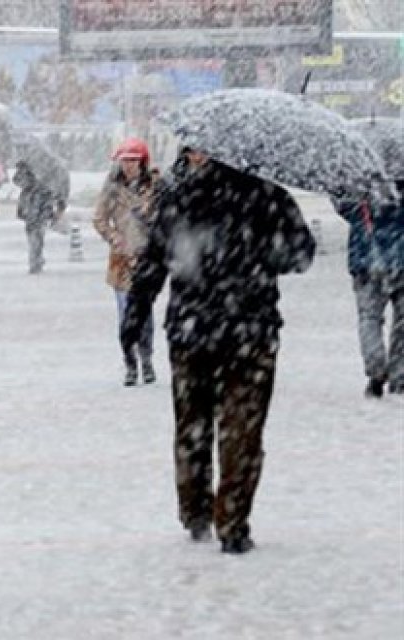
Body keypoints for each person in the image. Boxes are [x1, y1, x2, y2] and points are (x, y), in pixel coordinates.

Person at [123, 148, 315, 555]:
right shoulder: (269, 196)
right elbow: (301, 256)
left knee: (192, 425)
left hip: (192, 330)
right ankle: (233, 522)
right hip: (251, 330)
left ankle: (195, 511)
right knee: (242, 431)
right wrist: (261, 252)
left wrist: (136, 311)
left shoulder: (182, 196)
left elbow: (154, 258)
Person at [93, 137, 158, 386]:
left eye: (133, 160)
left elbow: (165, 216)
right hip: (121, 260)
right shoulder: (111, 187)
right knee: (125, 314)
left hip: (146, 258)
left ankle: (147, 359)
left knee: (145, 314)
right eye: (125, 161)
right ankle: (130, 362)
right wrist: (113, 236)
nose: (129, 166)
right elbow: (99, 219)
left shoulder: (154, 186)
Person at [334, 182, 404, 397]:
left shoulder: (358, 182)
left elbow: (343, 207)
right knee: (402, 322)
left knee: (369, 318)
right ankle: (400, 374)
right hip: (400, 258)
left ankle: (376, 370)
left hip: (365, 258)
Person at [13, 159, 66, 274]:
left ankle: (35, 262)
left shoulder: (40, 188)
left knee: (36, 239)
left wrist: (57, 211)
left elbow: (57, 198)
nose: (20, 184)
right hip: (33, 217)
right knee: (35, 239)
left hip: (39, 216)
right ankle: (36, 260)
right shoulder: (27, 190)